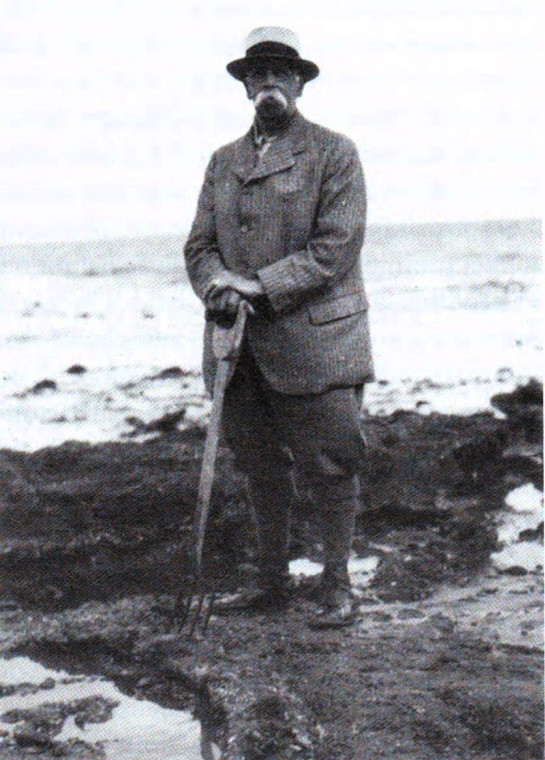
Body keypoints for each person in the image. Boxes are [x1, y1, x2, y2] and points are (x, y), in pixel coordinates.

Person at [184, 26, 374, 628]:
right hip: (235, 345)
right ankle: (270, 583)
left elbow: (335, 248)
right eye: (256, 73)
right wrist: (216, 284)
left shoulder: (334, 152)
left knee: (332, 464)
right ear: (244, 87)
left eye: (280, 72)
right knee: (259, 465)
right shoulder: (223, 161)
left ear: (298, 82)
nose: (269, 82)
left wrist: (257, 286)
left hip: (316, 341)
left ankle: (338, 586)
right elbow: (199, 245)